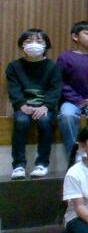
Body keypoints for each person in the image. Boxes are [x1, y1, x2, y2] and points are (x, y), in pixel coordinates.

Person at [7, 28, 62, 179]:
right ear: (22, 45)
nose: (34, 44)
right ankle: (18, 165)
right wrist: (21, 105)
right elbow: (13, 89)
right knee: (21, 121)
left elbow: (55, 89)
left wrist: (46, 106)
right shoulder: (14, 66)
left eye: (39, 41)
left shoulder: (52, 67)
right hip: (23, 106)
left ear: (46, 45)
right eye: (29, 41)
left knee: (45, 121)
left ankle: (42, 164)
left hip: (45, 107)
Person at [57, 21, 88, 160]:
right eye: (87, 33)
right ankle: (74, 154)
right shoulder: (65, 57)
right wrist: (76, 99)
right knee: (66, 115)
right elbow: (60, 81)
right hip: (71, 100)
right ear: (75, 36)